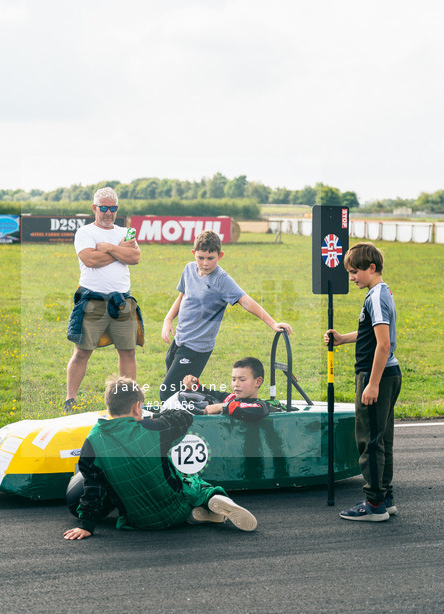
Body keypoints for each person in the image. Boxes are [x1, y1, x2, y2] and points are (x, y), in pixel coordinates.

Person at [63, 375, 257, 540]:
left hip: (137, 521)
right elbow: (184, 417)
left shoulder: (91, 441)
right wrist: (154, 415)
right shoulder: (154, 428)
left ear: (108, 406)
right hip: (174, 511)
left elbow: (93, 489)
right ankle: (213, 499)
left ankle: (195, 514)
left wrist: (86, 525)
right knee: (193, 481)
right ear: (138, 407)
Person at [159, 230, 292, 402]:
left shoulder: (221, 279)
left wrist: (273, 324)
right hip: (180, 341)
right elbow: (182, 296)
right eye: (200, 258)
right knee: (182, 391)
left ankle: (225, 402)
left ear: (220, 256)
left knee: (167, 394)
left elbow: (246, 301)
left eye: (210, 258)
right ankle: (217, 405)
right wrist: (168, 319)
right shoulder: (189, 269)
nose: (205, 263)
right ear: (194, 254)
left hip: (196, 347)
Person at [325, 242, 402, 522]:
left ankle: (374, 504)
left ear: (371, 268)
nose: (351, 277)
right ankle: (385, 497)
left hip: (376, 375)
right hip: (387, 374)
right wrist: (343, 339)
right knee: (382, 440)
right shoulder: (382, 292)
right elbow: (372, 334)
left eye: (355, 271)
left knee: (369, 441)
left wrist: (372, 384)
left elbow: (383, 345)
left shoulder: (375, 297)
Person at [64, 187, 143, 415]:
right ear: (94, 208)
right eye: (104, 208)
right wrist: (119, 252)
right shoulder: (85, 233)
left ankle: (129, 402)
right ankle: (71, 399)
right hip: (92, 300)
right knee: (81, 352)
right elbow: (90, 260)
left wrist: (108, 248)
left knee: (128, 352)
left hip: (123, 301)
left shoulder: (125, 232)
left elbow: (135, 257)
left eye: (113, 208)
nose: (108, 213)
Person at [168, 357, 280, 423]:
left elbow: (256, 410)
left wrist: (221, 406)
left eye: (242, 380)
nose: (236, 384)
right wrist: (194, 386)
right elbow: (211, 394)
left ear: (258, 381)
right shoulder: (231, 398)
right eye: (234, 379)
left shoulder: (261, 406)